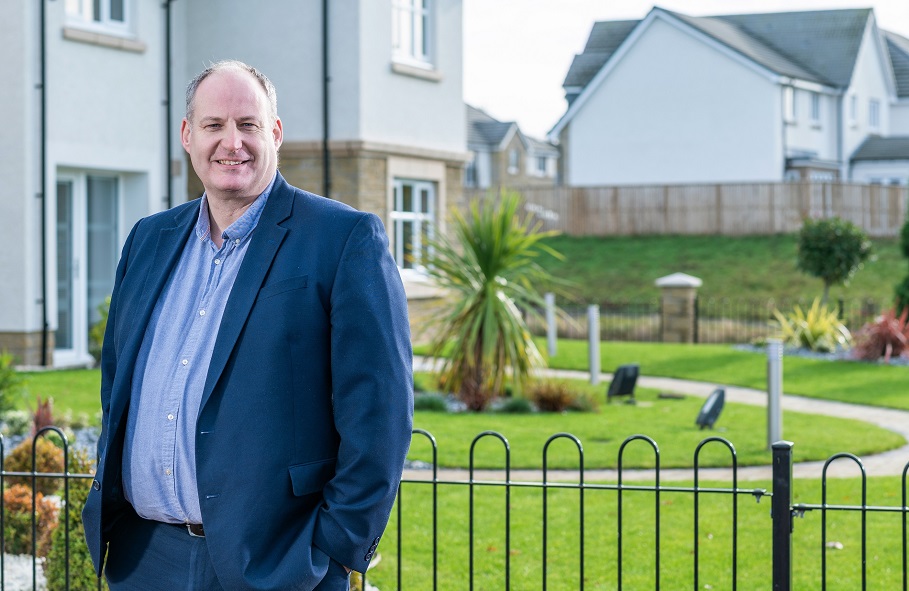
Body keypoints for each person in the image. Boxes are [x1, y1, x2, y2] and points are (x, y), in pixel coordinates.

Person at [82, 60, 414, 591]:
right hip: (144, 560)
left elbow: (380, 416)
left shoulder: (342, 239)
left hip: (274, 565)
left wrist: (331, 549)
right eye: (214, 125)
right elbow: (117, 384)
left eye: (248, 125)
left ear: (275, 133)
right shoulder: (148, 239)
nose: (230, 142)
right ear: (188, 136)